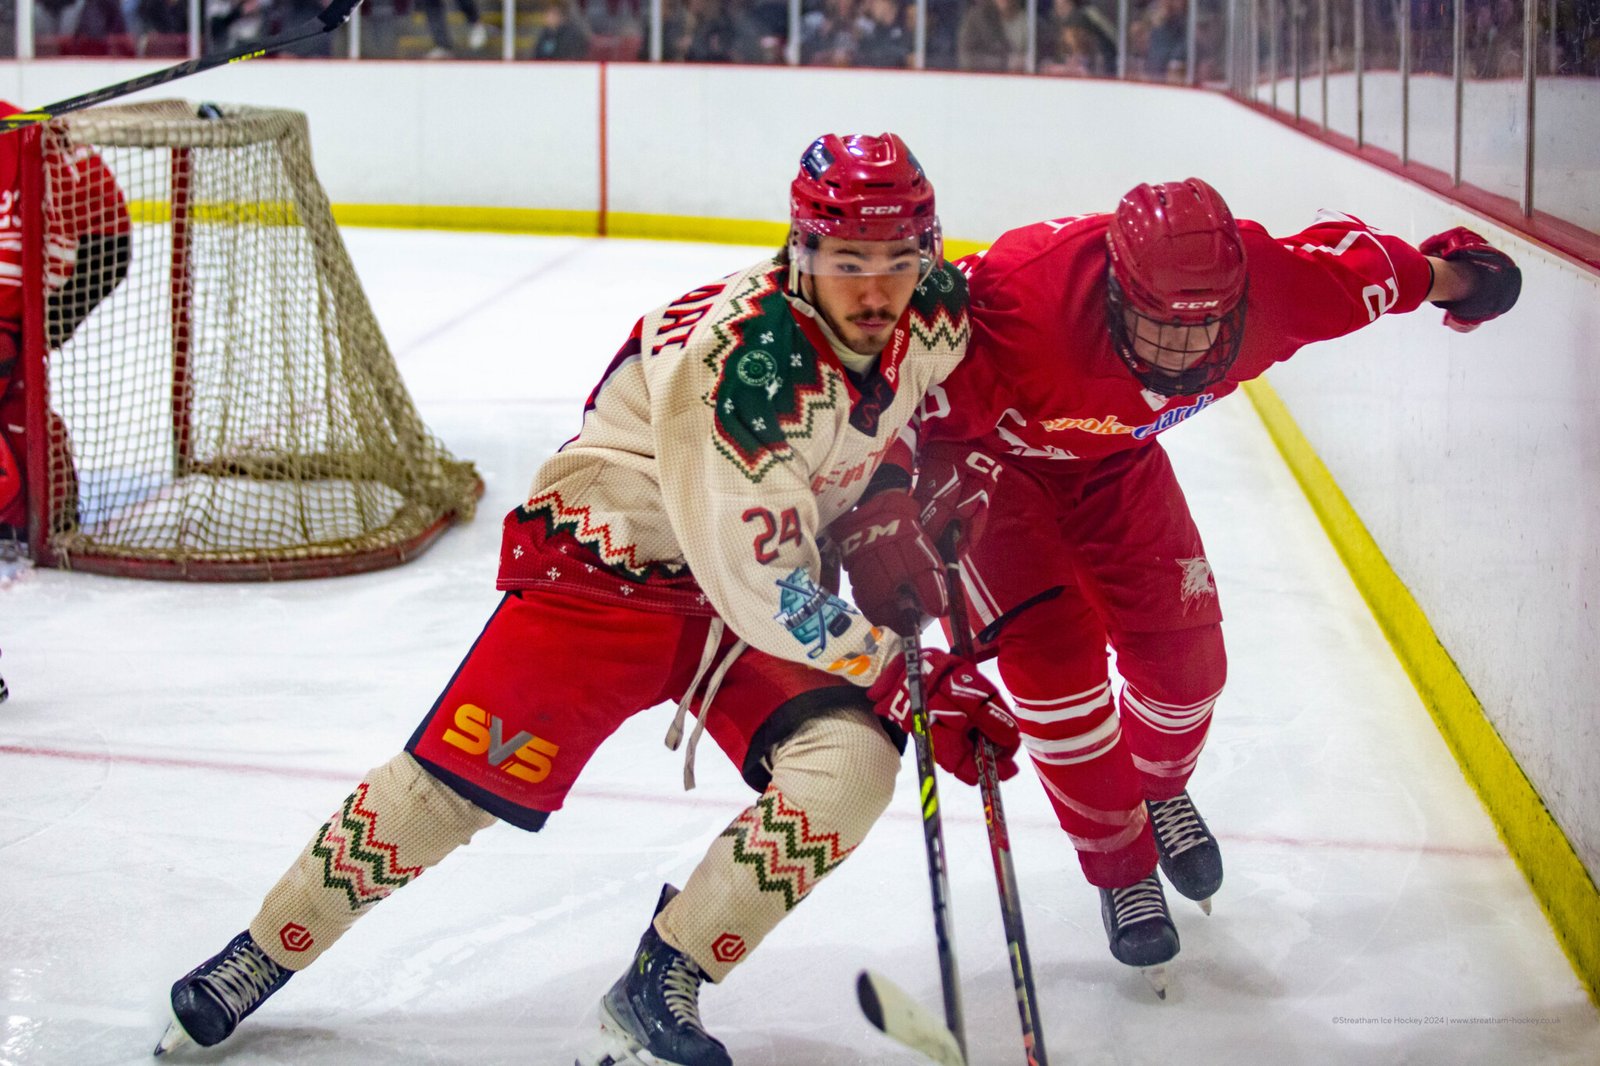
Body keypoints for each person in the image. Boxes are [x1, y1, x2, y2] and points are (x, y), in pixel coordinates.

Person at [151, 133, 1020, 1066]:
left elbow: (898, 415)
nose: (878, 293)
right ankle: (262, 953)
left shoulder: (931, 308)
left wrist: (885, 502)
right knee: (445, 794)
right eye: (850, 262)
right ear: (800, 249)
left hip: (742, 584)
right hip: (612, 571)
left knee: (849, 769)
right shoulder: (746, 369)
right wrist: (890, 671)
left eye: (900, 261)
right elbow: (762, 585)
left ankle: (665, 976)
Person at [853, 178, 1521, 986]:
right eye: (1157, 326)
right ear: (1113, 290)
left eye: (1204, 328)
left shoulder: (1280, 290)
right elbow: (892, 395)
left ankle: (1157, 791)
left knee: (1188, 668)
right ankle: (1122, 868)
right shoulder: (1018, 298)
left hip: (1117, 467)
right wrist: (891, 505)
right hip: (997, 468)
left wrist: (1466, 278)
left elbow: (1383, 271)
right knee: (1056, 672)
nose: (1180, 353)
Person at [0, 99, 133, 549]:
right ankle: (29, 504)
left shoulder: (36, 136)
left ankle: (22, 505)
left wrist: (47, 325)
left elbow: (111, 241)